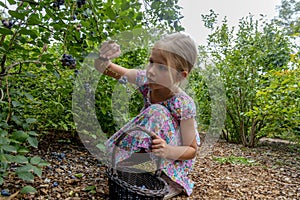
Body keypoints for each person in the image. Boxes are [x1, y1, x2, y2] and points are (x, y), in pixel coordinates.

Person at [94, 32, 200, 199]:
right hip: (154, 145)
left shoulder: (184, 104)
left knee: (156, 111)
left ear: (181, 75)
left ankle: (168, 178)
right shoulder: (145, 80)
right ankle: (138, 165)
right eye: (151, 62)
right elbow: (105, 68)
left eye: (162, 67)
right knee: (114, 155)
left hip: (172, 153)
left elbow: (192, 150)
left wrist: (169, 150)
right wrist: (103, 57)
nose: (151, 71)